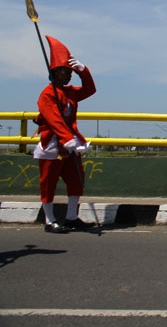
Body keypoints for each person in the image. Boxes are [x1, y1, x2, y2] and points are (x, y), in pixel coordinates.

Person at [32, 36, 96, 233]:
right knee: (48, 182)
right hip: (53, 144)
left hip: (70, 144)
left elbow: (90, 89)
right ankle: (50, 220)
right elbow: (54, 119)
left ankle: (71, 217)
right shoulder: (47, 94)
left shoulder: (69, 93)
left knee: (76, 180)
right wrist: (66, 140)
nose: (68, 75)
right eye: (65, 71)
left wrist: (83, 71)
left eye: (70, 72)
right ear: (54, 72)